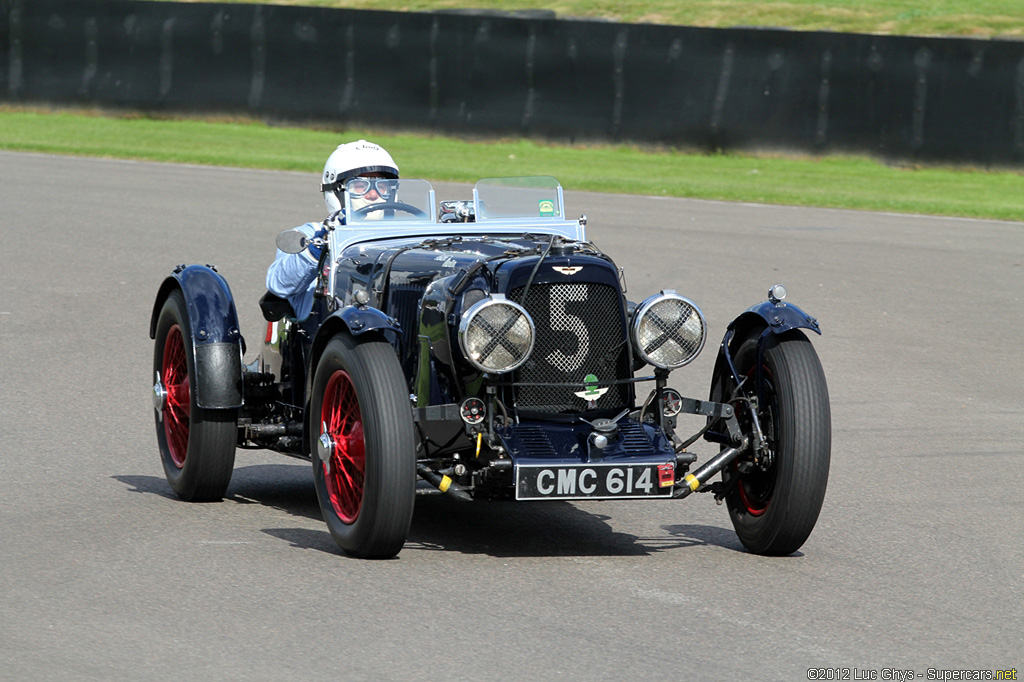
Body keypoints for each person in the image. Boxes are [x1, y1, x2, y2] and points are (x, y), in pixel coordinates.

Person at [266, 140, 399, 320]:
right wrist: (317, 248)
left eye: (381, 186)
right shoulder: (311, 234)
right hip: (323, 333)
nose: (373, 194)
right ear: (336, 191)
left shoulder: (402, 239)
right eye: (360, 186)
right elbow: (278, 285)